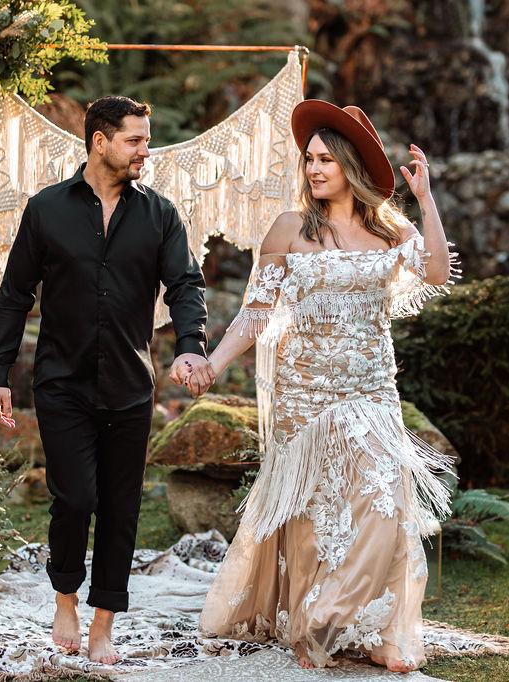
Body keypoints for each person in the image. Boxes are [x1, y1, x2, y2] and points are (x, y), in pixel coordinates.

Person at [192, 100, 457, 672]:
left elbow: (437, 271)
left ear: (350, 164)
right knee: (315, 516)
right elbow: (256, 314)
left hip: (370, 392)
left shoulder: (390, 229)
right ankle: (327, 624)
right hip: (305, 395)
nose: (313, 168)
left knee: (384, 504)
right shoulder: (290, 228)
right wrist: (212, 365)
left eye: (325, 160)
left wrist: (426, 199)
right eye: (308, 159)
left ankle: (340, 620)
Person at [0, 95, 213, 665]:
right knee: (75, 498)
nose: (145, 151)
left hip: (130, 386)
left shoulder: (159, 214)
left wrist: (190, 344)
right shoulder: (46, 210)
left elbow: (185, 284)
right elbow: (14, 295)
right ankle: (65, 599)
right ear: (100, 141)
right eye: (134, 140)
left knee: (120, 507)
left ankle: (104, 621)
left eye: (146, 140)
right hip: (61, 382)